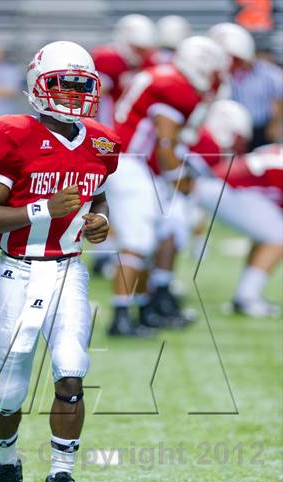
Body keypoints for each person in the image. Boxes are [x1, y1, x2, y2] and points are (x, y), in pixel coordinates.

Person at [0, 41, 121, 482]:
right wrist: (40, 209)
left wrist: (99, 220)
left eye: (82, 85)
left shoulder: (101, 140)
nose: (76, 95)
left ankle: (60, 478)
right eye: (64, 84)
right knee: (9, 392)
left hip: (68, 269)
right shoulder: (9, 135)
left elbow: (95, 200)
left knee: (72, 369)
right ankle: (7, 465)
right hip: (18, 271)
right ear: (39, 86)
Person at [106, 36, 228, 335]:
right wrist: (178, 180)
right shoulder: (174, 86)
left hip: (141, 166)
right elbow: (165, 144)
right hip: (131, 165)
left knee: (166, 230)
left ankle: (147, 306)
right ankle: (120, 318)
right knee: (137, 242)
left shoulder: (166, 76)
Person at [193, 143, 282, 317]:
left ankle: (246, 295)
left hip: (214, 184)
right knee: (278, 235)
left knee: (270, 233)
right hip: (225, 188)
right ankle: (246, 297)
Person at [209, 22, 283, 150]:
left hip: (261, 129)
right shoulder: (223, 73)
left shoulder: (271, 73)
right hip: (230, 130)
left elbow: (278, 100)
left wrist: (276, 124)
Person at [92, 14, 158, 127]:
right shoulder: (109, 59)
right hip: (107, 124)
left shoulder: (149, 63)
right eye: (138, 48)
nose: (142, 54)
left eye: (145, 49)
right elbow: (95, 95)